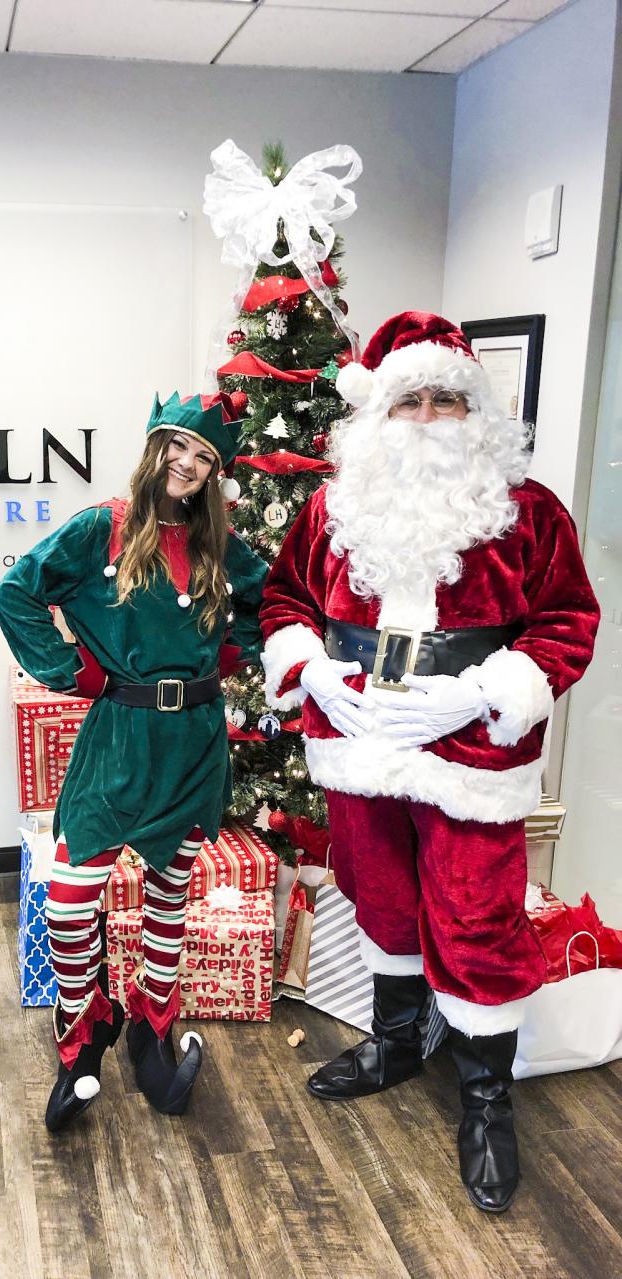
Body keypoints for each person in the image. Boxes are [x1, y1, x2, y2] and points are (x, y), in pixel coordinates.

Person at [259, 311, 600, 1213]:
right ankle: (397, 1040)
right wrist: (313, 672)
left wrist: (488, 689)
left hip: (470, 749)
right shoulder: (332, 507)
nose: (431, 414)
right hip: (359, 737)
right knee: (381, 895)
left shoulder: (530, 511)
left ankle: (487, 1099)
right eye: (411, 398)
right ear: (380, 413)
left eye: (450, 397)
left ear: (476, 410)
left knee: (477, 913)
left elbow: (568, 621)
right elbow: (285, 601)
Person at [0, 391, 268, 1132]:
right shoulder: (101, 529)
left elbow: (274, 604)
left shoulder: (219, 545)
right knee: (70, 900)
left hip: (194, 745)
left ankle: (152, 1024)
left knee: (169, 894)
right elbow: (15, 593)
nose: (187, 463)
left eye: (204, 456)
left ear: (215, 471)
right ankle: (85, 1028)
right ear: (157, 446)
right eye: (178, 445)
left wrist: (230, 653)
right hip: (118, 738)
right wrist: (70, 671)